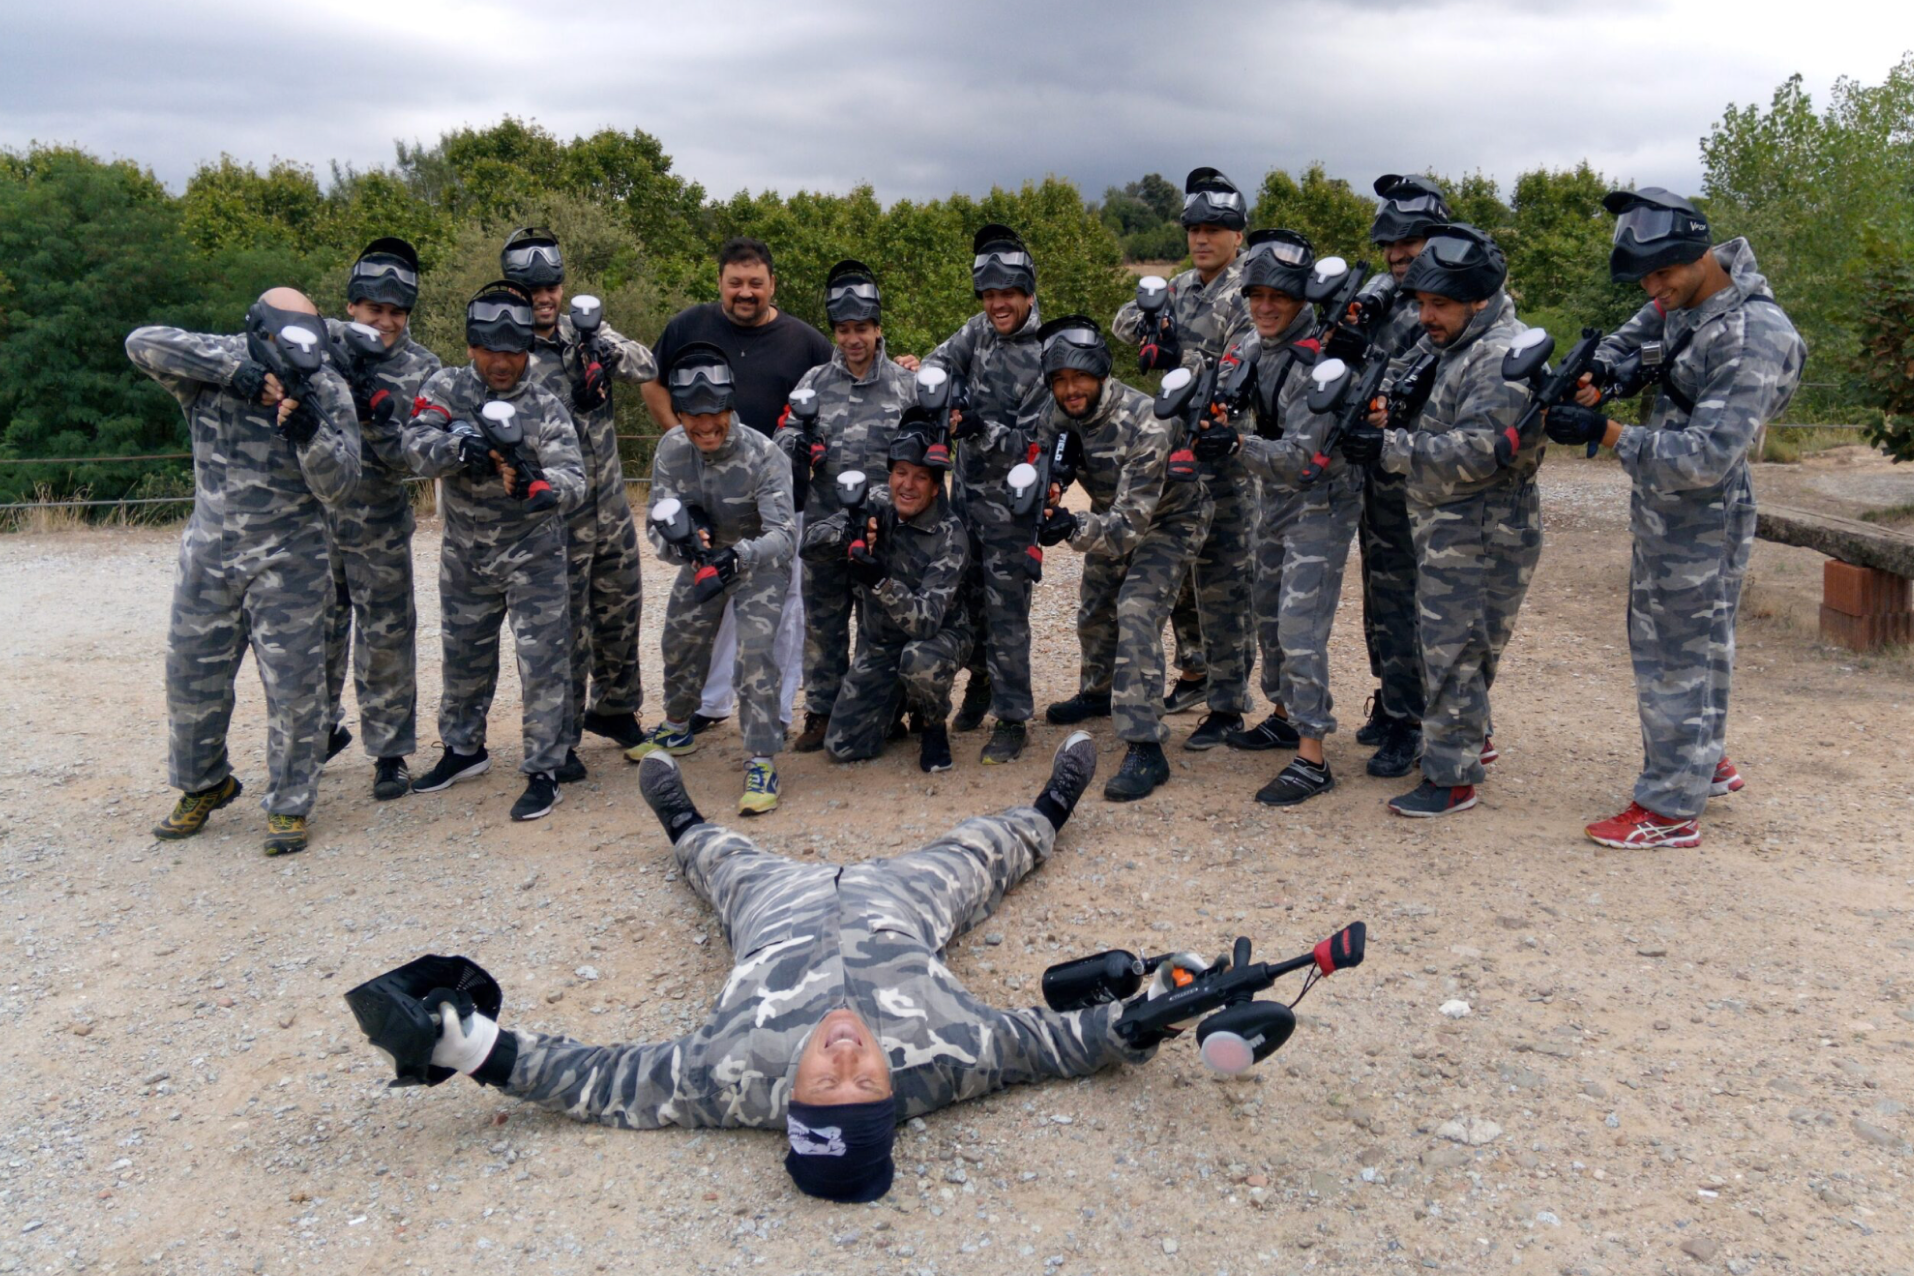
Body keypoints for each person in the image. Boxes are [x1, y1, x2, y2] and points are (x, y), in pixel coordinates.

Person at [346, 734, 1160, 1204]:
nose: (844, 1059)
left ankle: (680, 819)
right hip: (897, 907)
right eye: (864, 1082)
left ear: (790, 1100)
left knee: (720, 861)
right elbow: (1054, 1045)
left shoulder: (732, 1078)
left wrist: (476, 1049)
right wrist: (1140, 1023)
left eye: (824, 1084)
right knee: (979, 855)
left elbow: (605, 1081)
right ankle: (1052, 809)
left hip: (778, 912)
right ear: (893, 1091)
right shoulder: (946, 1063)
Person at [1545, 188, 1804, 850]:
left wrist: (1606, 433)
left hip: (1700, 505)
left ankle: (1668, 809)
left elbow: (1706, 458)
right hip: (1669, 508)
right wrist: (1608, 368)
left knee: (1675, 653)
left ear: (1699, 255)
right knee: (1699, 640)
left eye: (1663, 275)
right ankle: (1700, 759)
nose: (1654, 290)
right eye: (1645, 278)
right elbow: (1640, 332)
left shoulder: (1752, 335)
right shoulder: (1686, 294)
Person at [128, 289, 362, 856]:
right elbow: (141, 344)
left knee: (295, 692)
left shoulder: (325, 384)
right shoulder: (217, 361)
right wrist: (237, 374)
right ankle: (205, 783)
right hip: (209, 554)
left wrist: (307, 431)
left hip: (291, 559)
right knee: (190, 681)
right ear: (258, 329)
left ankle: (289, 804)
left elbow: (341, 485)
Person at [1339, 226, 1543, 818]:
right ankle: (1464, 743)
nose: (1426, 316)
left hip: (1482, 524)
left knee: (1455, 649)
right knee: (1454, 646)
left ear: (1478, 300)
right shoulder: (1453, 342)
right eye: (1422, 304)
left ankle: (1451, 778)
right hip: (1451, 524)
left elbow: (1482, 452)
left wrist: (1389, 448)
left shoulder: (1499, 356)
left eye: (1440, 305)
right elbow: (1401, 374)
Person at [402, 282, 585, 823]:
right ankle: (463, 749)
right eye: (491, 351)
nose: (502, 363)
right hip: (466, 556)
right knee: (463, 658)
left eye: (514, 351)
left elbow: (574, 476)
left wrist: (539, 484)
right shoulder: (445, 387)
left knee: (544, 664)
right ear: (471, 347)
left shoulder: (545, 404)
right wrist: (462, 449)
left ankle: (546, 768)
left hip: (534, 556)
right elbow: (413, 446)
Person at [1201, 231, 1365, 806]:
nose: (1266, 306)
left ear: (1303, 299)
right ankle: (1282, 713)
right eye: (1256, 294)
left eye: (1280, 296)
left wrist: (1233, 446)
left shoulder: (1321, 362)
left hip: (1319, 498)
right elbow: (1222, 394)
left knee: (1300, 626)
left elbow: (1301, 459)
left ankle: (1312, 755)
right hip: (1275, 496)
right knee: (1266, 611)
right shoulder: (1252, 347)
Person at [647, 238, 833, 735]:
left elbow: (839, 386)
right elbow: (650, 379)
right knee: (709, 601)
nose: (745, 292)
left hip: (780, 493)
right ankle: (708, 706)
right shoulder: (690, 326)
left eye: (755, 283)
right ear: (721, 283)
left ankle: (777, 713)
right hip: (707, 501)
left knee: (779, 609)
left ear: (772, 285)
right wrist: (680, 434)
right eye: (735, 283)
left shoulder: (806, 340)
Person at [1035, 317, 1211, 801]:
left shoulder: (1145, 421)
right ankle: (1098, 692)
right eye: (1060, 381)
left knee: (1135, 609)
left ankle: (1145, 746)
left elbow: (1130, 528)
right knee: (1095, 606)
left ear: (1101, 375)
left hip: (1171, 519)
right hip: (1111, 513)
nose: (1070, 390)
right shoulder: (1059, 414)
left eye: (1080, 378)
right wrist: (1042, 488)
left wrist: (1071, 527)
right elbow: (1039, 454)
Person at [505, 227, 659, 768]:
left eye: (551, 287)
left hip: (611, 508)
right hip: (555, 516)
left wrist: (602, 348)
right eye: (531, 290)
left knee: (620, 614)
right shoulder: (507, 348)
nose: (544, 298)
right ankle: (561, 734)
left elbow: (647, 364)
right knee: (562, 630)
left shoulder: (583, 332)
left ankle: (616, 711)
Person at [1110, 167, 1254, 737]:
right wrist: (1154, 323)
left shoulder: (1249, 292)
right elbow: (1125, 321)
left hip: (1225, 452)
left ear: (1237, 235)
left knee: (1223, 577)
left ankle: (1228, 704)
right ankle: (1196, 670)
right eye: (1194, 227)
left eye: (1215, 228)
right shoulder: (1182, 286)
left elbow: (1242, 362)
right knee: (1178, 573)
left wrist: (1185, 361)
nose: (1201, 238)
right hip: (1174, 453)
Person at [628, 343, 796, 815]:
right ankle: (678, 725)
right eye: (692, 417)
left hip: (757, 561)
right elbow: (657, 526)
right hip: (704, 557)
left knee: (755, 651)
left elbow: (784, 536)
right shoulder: (671, 450)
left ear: (730, 406)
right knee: (680, 635)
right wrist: (682, 545)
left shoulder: (764, 454)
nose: (705, 427)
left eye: (715, 414)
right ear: (679, 414)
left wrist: (737, 556)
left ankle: (761, 758)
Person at [922, 224, 1053, 763]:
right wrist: (945, 388)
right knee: (967, 598)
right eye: (990, 296)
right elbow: (937, 362)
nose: (998, 305)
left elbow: (1033, 441)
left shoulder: (1048, 352)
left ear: (1027, 293)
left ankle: (1014, 717)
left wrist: (978, 427)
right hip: (966, 499)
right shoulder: (977, 331)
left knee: (1007, 614)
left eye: (1008, 295)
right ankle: (980, 685)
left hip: (1012, 510)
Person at [776, 259, 917, 752]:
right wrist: (796, 441)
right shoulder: (813, 382)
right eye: (843, 329)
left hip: (886, 529)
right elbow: (785, 435)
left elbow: (924, 455)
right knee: (823, 622)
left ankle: (884, 707)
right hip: (823, 525)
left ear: (878, 329)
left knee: (881, 623)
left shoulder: (905, 386)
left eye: (862, 328)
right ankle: (821, 710)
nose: (853, 339)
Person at [321, 237, 441, 801]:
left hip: (379, 520)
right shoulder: (317, 344)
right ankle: (315, 732)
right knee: (312, 634)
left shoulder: (424, 369)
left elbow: (414, 457)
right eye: (375, 311)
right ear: (352, 307)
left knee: (386, 638)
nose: (386, 322)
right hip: (313, 518)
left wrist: (377, 416)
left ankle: (389, 753)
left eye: (397, 312)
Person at [800, 416, 971, 770]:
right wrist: (848, 535)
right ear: (890, 475)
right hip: (882, 645)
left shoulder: (950, 534)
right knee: (843, 746)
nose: (907, 485)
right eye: (900, 473)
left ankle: (931, 722)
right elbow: (808, 545)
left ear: (937, 486)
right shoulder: (874, 502)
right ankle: (894, 707)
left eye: (921, 476)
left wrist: (880, 580)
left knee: (919, 661)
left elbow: (925, 623)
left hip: (936, 639)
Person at [1353, 174, 1451, 779]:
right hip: (1380, 467)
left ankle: (1417, 720)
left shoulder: (1453, 299)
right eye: (1389, 249)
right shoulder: (1388, 291)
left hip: (1424, 470)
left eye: (1408, 248)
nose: (1396, 260)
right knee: (1383, 592)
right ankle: (1393, 700)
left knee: (1421, 600)